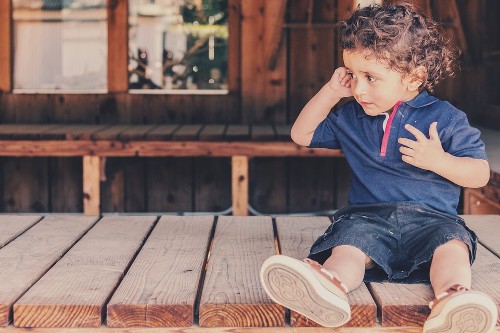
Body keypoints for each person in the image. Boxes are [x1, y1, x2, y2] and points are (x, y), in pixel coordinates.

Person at [260, 3, 498, 332]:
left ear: (414, 78)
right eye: (352, 75)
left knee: (452, 247)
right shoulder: (352, 118)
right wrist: (330, 93)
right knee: (350, 246)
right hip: (368, 219)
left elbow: (480, 173)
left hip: (432, 222)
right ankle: (328, 287)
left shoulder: (445, 118)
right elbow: (301, 134)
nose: (358, 89)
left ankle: (453, 300)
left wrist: (438, 160)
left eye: (370, 77)